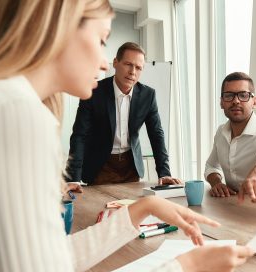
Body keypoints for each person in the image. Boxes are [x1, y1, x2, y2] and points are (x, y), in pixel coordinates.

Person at [0, 1, 253, 272]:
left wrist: (143, 208)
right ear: (59, 28)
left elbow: (48, 260)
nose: (102, 62)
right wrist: (184, 271)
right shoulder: (15, 115)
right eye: (100, 40)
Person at [65, 41, 181, 191]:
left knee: (131, 210)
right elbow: (79, 136)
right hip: (100, 166)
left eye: (138, 67)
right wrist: (74, 178)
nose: (133, 71)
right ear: (115, 63)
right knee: (99, 210)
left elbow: (156, 134)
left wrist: (164, 173)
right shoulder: (93, 92)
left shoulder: (148, 95)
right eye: (128, 64)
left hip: (130, 166)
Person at [205, 72, 256, 203]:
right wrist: (216, 183)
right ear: (221, 103)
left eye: (243, 95)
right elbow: (211, 166)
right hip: (229, 207)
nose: (236, 101)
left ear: (254, 102)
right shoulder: (221, 132)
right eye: (229, 96)